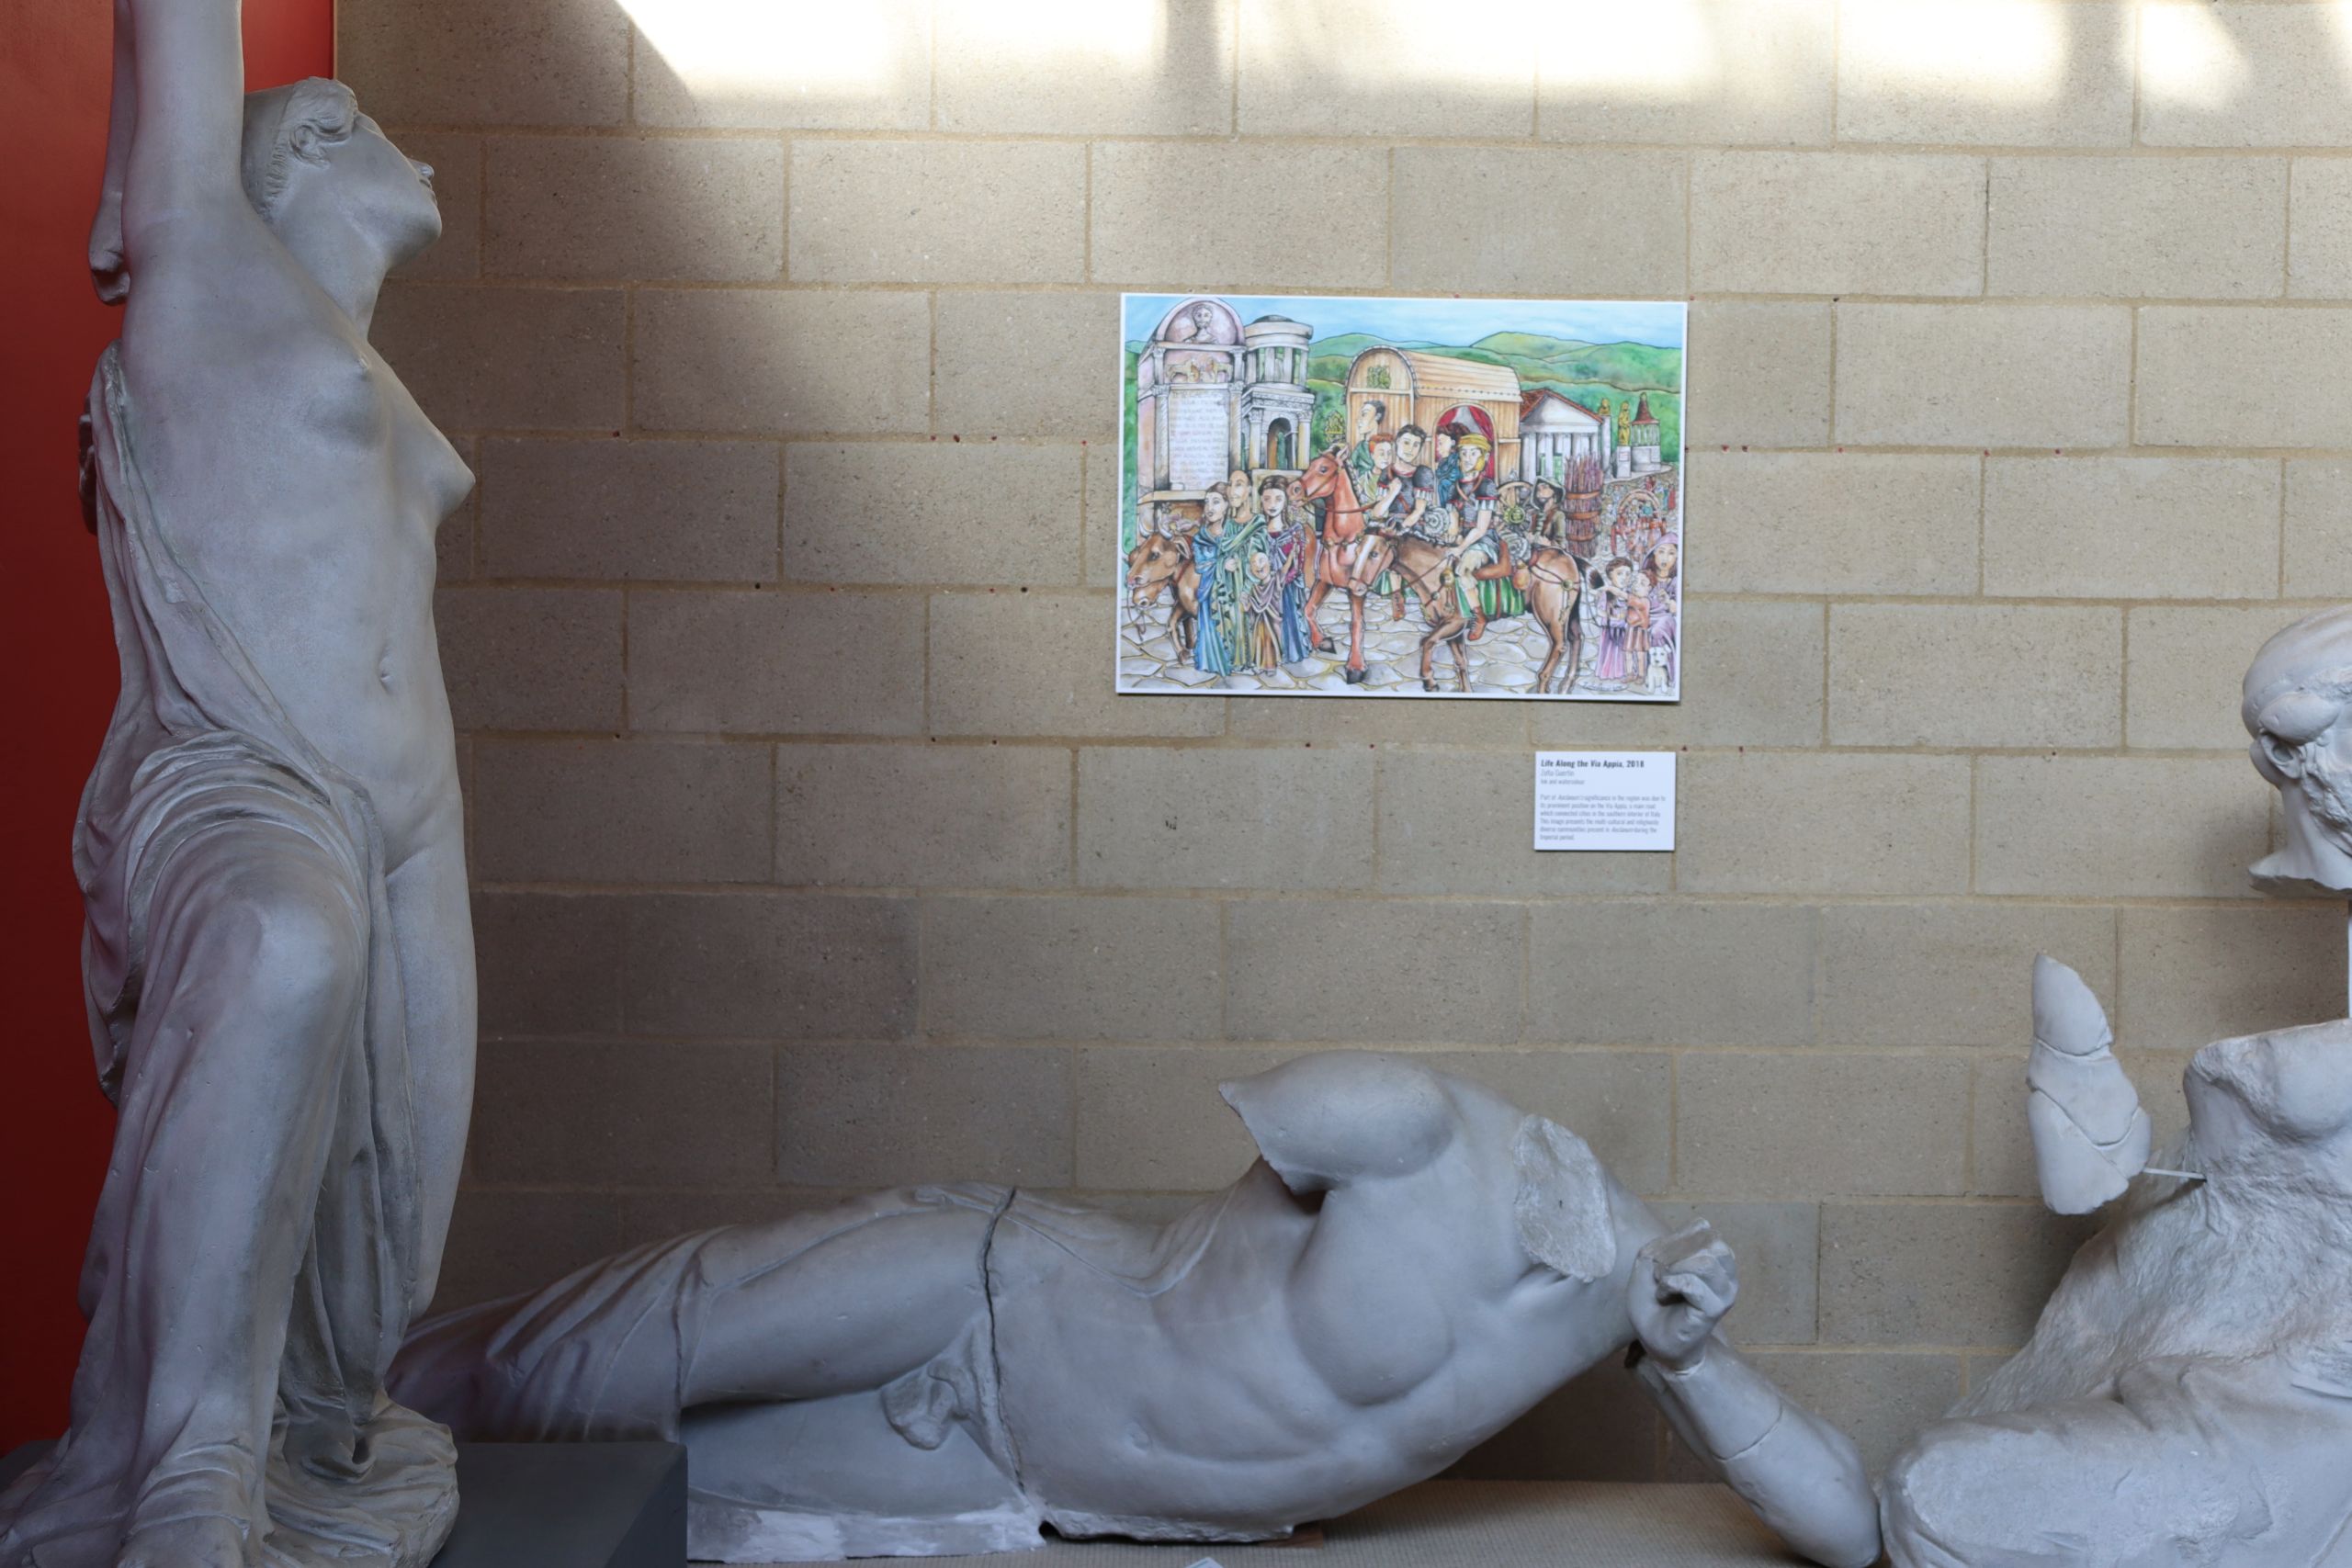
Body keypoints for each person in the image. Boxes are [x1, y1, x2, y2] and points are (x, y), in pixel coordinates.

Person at [390, 1053, 1880, 1568]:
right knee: (629, 1342)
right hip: (993, 1301)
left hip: (1026, 1479)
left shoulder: (1629, 1291)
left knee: (673, 1482)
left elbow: (1842, 1528)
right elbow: (1192, 1244)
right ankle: (323, 1404)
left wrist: (1690, 1352)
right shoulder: (1411, 1120)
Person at [0, 9, 476, 1567]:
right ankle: (188, 1464)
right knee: (281, 952)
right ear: (310, 151)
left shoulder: (353, 357)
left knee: (375, 1273)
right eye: (367, 118)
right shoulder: (206, 266)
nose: (421, 142)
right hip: (241, 773)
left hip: (407, 821)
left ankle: (287, 1444)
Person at [1441, 433, 1503, 640]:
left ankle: (1479, 616)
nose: (1468, 458)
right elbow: (1453, 522)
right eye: (1464, 453)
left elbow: (1482, 528)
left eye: (1473, 453)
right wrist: (1451, 539)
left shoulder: (1486, 486)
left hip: (1483, 541)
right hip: (1463, 537)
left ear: (1483, 457)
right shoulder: (1453, 488)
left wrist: (1460, 549)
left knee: (1463, 569)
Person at [1190, 489, 1251, 677]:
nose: (1210, 507)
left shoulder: (1235, 531)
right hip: (1211, 591)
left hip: (1234, 590)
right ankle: (1215, 661)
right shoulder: (1201, 537)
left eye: (1216, 502)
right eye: (1207, 502)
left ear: (1226, 505)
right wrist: (1222, 564)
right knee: (1212, 627)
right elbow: (1201, 566)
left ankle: (1238, 660)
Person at [1259, 478, 1314, 665]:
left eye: (1278, 499)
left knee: (1287, 622)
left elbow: (1298, 564)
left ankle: (1288, 651)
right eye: (1267, 499)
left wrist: (1281, 582)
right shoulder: (1257, 532)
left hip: (1286, 589)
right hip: (1264, 590)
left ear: (1285, 502)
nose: (1272, 505)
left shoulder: (1294, 532)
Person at [1593, 557, 1640, 686]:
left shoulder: (1629, 594)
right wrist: (1613, 617)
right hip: (1611, 629)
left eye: (1627, 574)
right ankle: (1610, 672)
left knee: (1625, 651)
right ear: (1610, 576)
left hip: (1625, 629)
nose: (1624, 577)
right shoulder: (1607, 593)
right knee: (1610, 651)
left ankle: (1624, 672)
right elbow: (1600, 611)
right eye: (1619, 574)